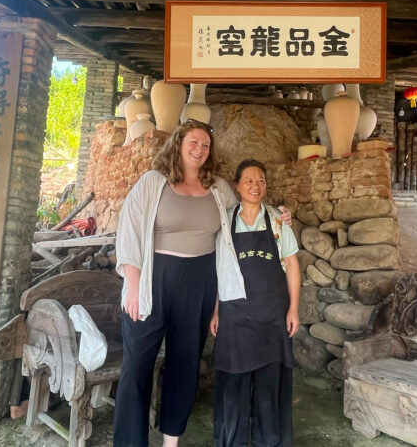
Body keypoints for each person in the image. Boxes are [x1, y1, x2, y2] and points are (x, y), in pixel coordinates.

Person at [113, 120, 289, 447]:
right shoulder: (153, 183)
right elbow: (129, 232)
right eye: (193, 142)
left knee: (185, 362)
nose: (199, 150)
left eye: (205, 146)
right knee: (137, 366)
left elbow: (245, 216)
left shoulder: (218, 189)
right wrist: (133, 283)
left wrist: (279, 216)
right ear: (179, 144)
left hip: (200, 281)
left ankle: (170, 441)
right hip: (154, 277)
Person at [210, 158, 301, 447]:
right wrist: (215, 312)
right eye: (248, 180)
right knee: (234, 384)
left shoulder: (277, 220)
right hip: (234, 315)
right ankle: (232, 441)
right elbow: (217, 269)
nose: (255, 185)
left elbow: (292, 265)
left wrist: (294, 308)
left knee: (268, 384)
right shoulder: (224, 222)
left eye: (260, 180)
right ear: (237, 186)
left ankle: (269, 441)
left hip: (271, 315)